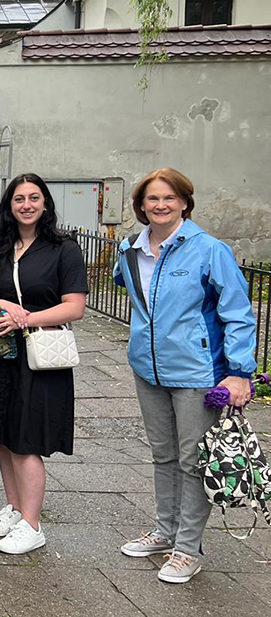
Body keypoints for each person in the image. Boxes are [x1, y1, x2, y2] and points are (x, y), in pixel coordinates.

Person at [113, 168, 257, 583]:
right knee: (164, 455)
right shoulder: (130, 250)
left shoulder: (210, 249)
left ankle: (188, 548)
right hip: (147, 368)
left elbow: (238, 314)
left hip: (197, 372)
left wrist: (239, 373)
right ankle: (166, 530)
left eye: (169, 198)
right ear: (141, 205)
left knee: (193, 461)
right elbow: (137, 294)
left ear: (184, 203)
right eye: (153, 199)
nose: (160, 205)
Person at [0, 173, 87, 555]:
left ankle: (33, 524)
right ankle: (15, 508)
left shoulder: (63, 248)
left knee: (26, 437)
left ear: (45, 203)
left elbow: (75, 306)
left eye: (34, 198)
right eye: (19, 199)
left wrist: (25, 318)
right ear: (9, 205)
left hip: (38, 355)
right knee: (3, 431)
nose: (27, 205)